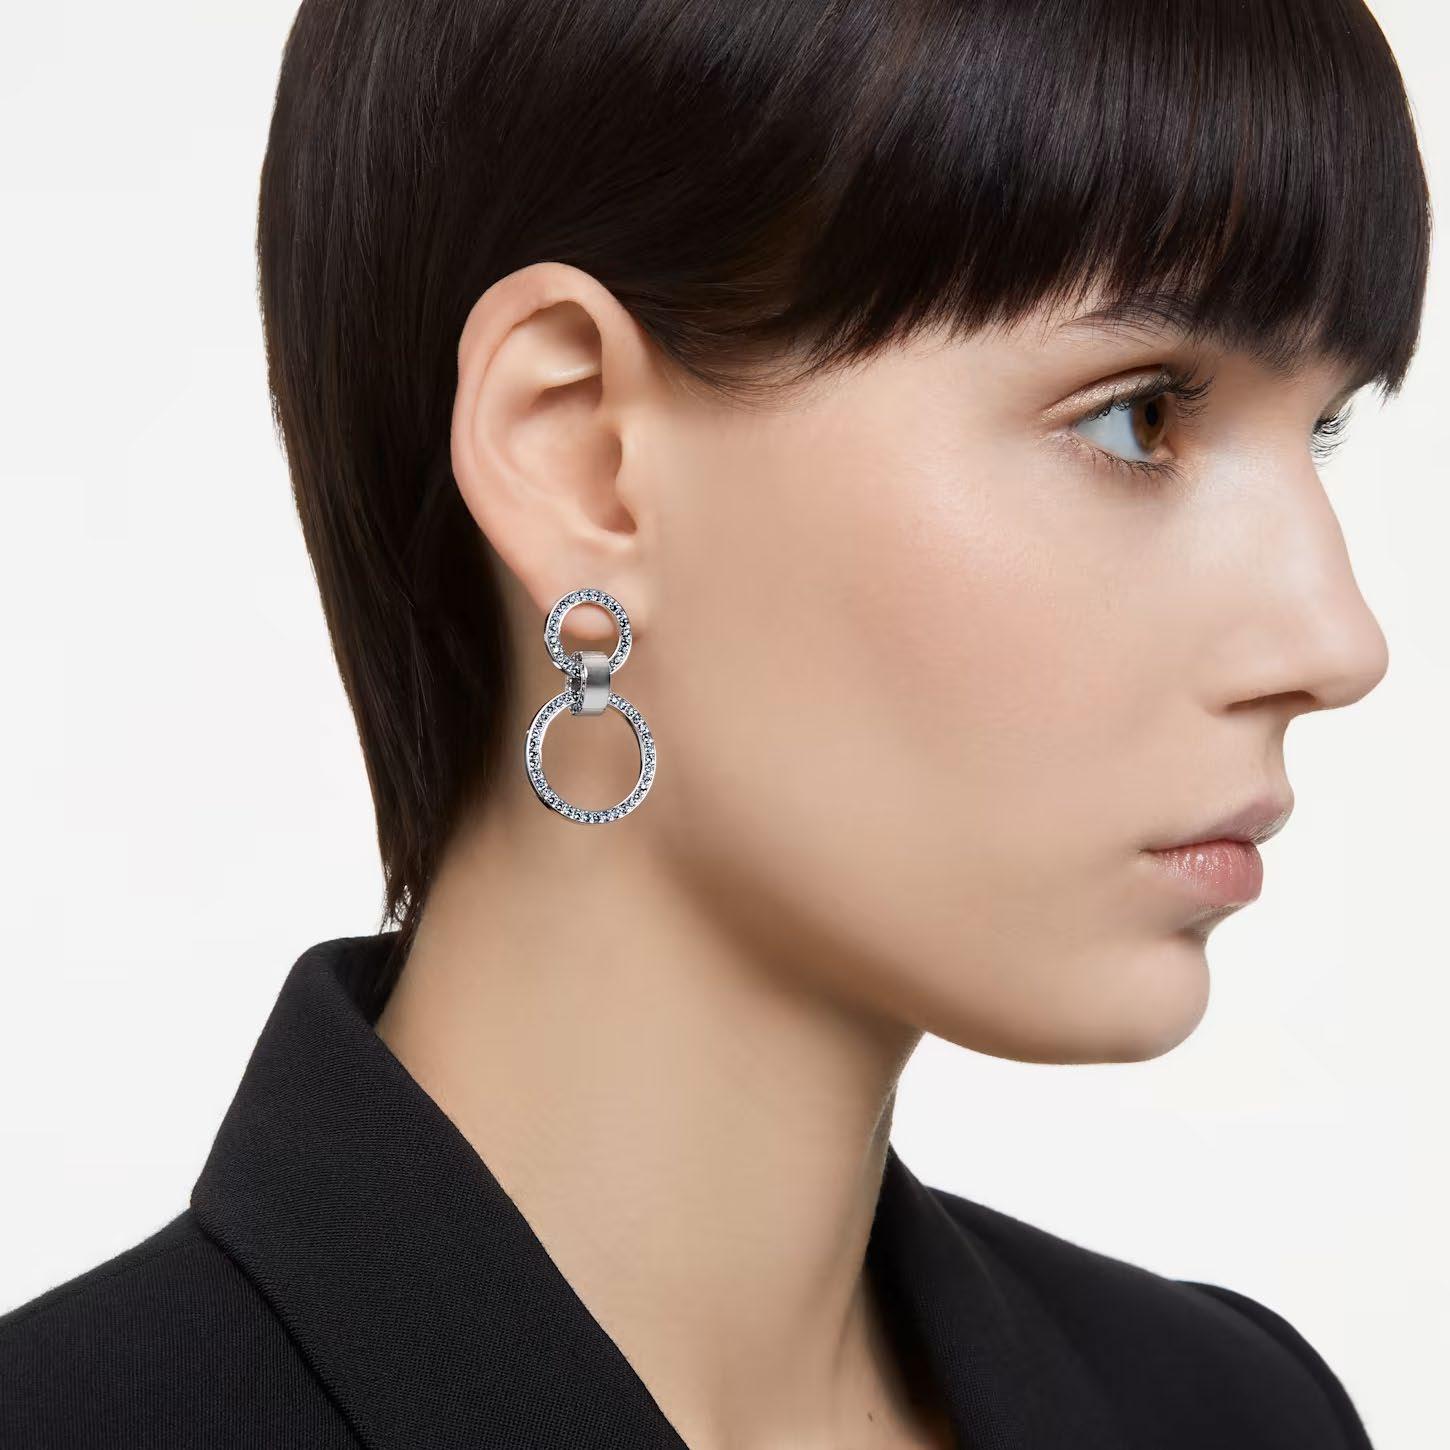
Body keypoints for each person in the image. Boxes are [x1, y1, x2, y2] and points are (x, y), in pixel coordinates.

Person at [1, 1, 1430, 1445]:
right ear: (582, 456)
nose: (1337, 643)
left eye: (1318, 431)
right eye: (1138, 418)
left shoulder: (1236, 1415)